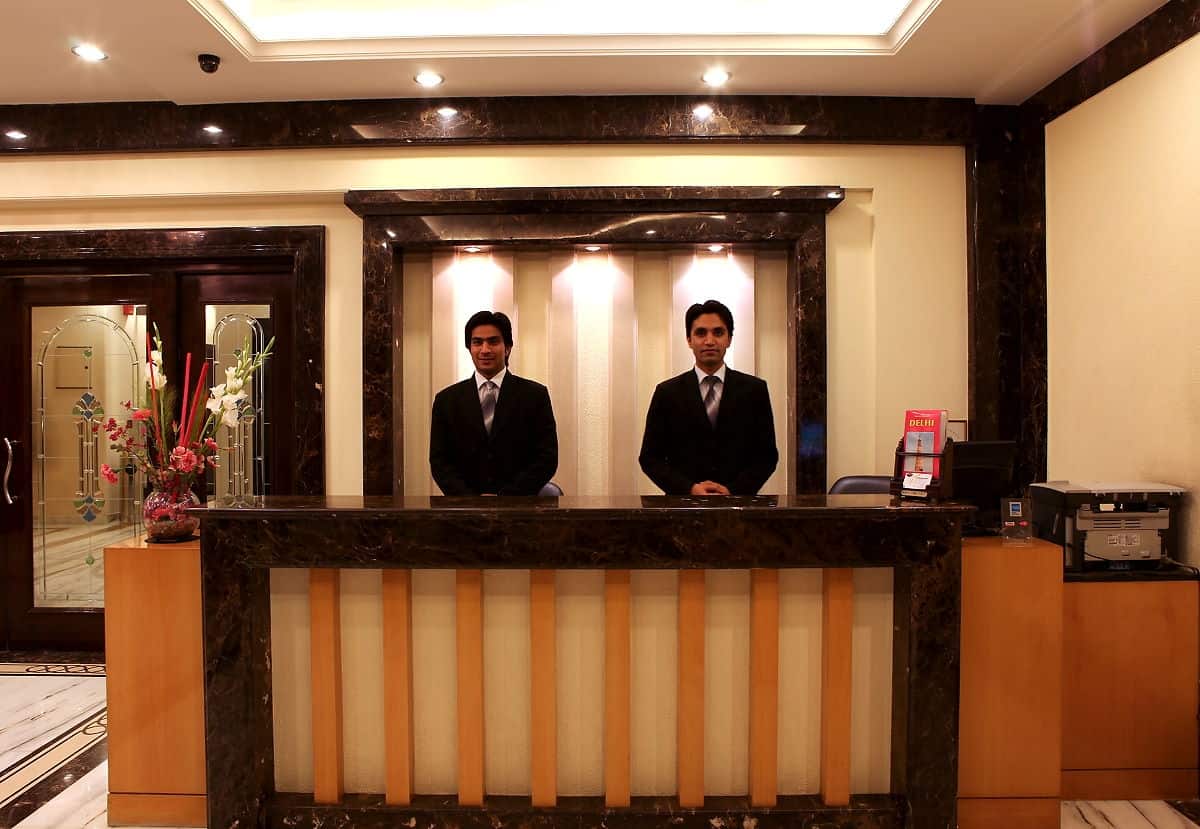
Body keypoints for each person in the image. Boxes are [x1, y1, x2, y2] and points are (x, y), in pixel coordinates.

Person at [639, 299, 778, 496]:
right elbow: (650, 458)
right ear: (689, 340)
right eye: (701, 333)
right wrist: (689, 489)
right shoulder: (667, 393)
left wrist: (732, 491)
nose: (710, 341)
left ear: (729, 339)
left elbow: (767, 457)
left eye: (718, 332)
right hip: (682, 507)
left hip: (740, 505)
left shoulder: (755, 390)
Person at [429, 310, 558, 495]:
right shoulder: (446, 401)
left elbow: (547, 458)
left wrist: (505, 498)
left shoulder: (535, 396)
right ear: (469, 348)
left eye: (493, 341)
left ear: (508, 347)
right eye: (477, 342)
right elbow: (439, 462)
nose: (485, 350)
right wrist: (472, 500)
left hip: (519, 505)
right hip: (464, 507)